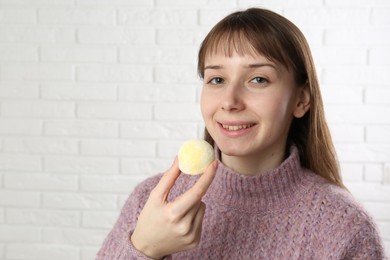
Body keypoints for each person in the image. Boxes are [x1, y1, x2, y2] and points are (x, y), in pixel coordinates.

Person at [96, 8, 386, 259]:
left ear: (300, 100)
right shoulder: (152, 201)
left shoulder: (344, 227)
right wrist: (145, 248)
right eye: (217, 79)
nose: (229, 101)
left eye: (258, 79)